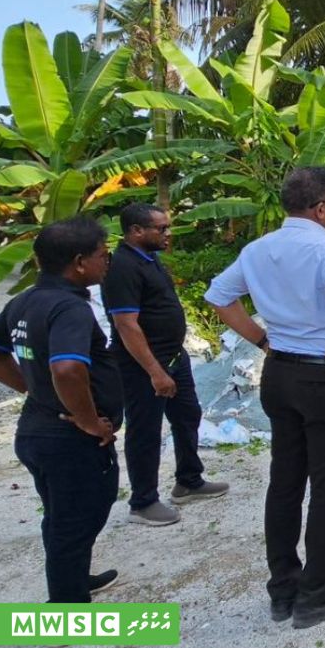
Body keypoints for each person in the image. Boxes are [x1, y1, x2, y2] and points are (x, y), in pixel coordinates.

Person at [205, 166, 325, 629]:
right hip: (324, 378)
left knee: (284, 482)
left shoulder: (258, 249)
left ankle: (283, 588)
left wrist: (262, 340)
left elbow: (220, 296)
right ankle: (317, 593)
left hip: (278, 373)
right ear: (321, 209)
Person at [0, 217, 121, 602]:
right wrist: (89, 422)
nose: (107, 261)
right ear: (80, 262)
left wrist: (36, 391)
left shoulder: (23, 301)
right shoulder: (68, 308)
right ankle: (65, 613)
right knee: (77, 517)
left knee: (62, 513)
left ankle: (74, 579)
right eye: (103, 255)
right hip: (68, 437)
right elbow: (67, 369)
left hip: (39, 427)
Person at [102, 203, 228, 526]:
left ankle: (189, 480)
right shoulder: (123, 268)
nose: (167, 234)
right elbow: (126, 325)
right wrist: (155, 371)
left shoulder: (150, 260)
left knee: (188, 415)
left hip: (173, 357)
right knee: (145, 430)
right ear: (136, 231)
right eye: (161, 228)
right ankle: (143, 502)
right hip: (143, 365)